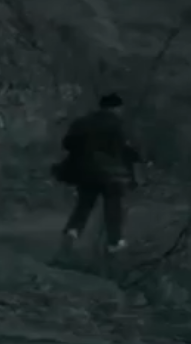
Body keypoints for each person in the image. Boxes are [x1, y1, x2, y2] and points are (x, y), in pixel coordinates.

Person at [57, 92, 141, 254]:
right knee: (113, 206)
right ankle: (114, 242)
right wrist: (138, 161)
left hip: (86, 172)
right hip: (111, 174)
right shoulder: (117, 125)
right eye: (120, 109)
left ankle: (72, 231)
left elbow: (67, 144)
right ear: (115, 108)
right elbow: (126, 150)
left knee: (84, 204)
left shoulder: (82, 122)